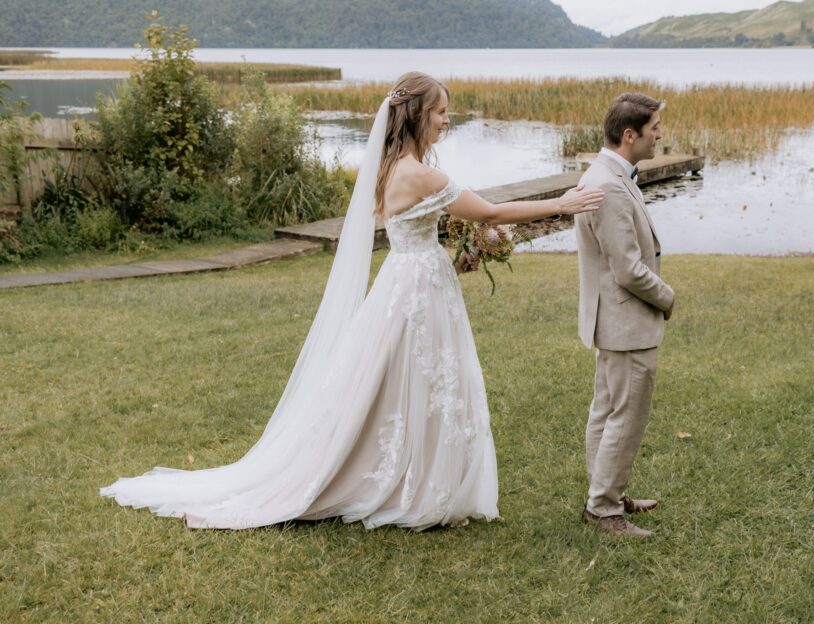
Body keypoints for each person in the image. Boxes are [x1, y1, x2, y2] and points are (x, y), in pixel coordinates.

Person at [100, 71, 603, 531]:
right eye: (442, 113)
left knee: (397, 380)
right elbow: (491, 212)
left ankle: (410, 472)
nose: (448, 122)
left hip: (405, 278)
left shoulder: (387, 167)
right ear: (416, 116)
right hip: (419, 286)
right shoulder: (424, 175)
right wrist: (563, 202)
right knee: (421, 378)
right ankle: (411, 482)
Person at [574, 93, 675, 538]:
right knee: (624, 415)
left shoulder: (606, 174)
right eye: (654, 127)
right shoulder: (610, 185)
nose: (660, 134)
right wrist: (667, 297)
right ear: (629, 134)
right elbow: (629, 269)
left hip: (613, 321)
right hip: (626, 321)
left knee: (608, 410)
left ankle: (606, 494)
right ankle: (603, 510)